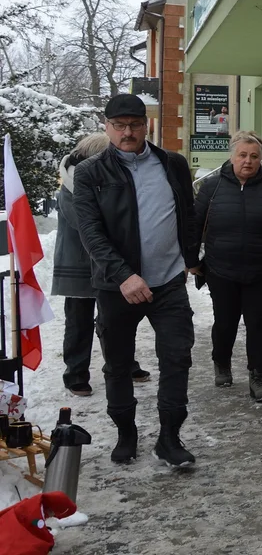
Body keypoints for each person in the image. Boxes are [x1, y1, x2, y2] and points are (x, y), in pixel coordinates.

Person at [73, 94, 200, 467]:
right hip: (118, 288)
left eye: (135, 125)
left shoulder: (172, 164)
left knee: (177, 358)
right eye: (119, 126)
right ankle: (126, 433)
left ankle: (169, 438)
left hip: (168, 282)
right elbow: (91, 232)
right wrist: (124, 275)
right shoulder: (91, 172)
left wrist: (191, 259)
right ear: (107, 127)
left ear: (148, 125)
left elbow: (187, 213)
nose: (128, 132)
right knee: (117, 363)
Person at [194, 131, 262, 403]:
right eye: (242, 155)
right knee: (225, 323)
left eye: (254, 156)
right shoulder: (211, 188)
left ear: (260, 159)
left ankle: (259, 378)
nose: (248, 161)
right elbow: (193, 225)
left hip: (260, 271)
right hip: (220, 270)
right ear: (232, 156)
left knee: (259, 325)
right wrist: (191, 261)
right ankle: (222, 364)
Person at [53, 132, 151, 397]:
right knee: (78, 321)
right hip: (79, 264)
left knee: (115, 319)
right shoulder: (71, 185)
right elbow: (87, 224)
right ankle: (75, 373)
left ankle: (123, 363)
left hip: (109, 263)